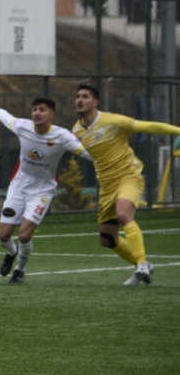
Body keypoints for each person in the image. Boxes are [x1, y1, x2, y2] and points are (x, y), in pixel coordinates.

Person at [71, 83, 180, 286]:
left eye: (85, 96)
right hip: (106, 185)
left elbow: (149, 126)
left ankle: (140, 263)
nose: (79, 100)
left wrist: (178, 131)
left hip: (128, 176)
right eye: (77, 96)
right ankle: (143, 265)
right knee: (107, 239)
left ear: (95, 102)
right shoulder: (77, 129)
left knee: (123, 214)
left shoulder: (113, 121)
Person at [0, 97, 90, 284]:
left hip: (43, 190)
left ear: (51, 114)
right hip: (19, 186)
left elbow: (85, 152)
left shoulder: (62, 136)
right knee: (3, 236)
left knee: (24, 234)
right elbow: (6, 117)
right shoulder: (23, 127)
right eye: (34, 109)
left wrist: (111, 159)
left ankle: (19, 271)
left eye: (42, 109)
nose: (37, 113)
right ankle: (11, 252)